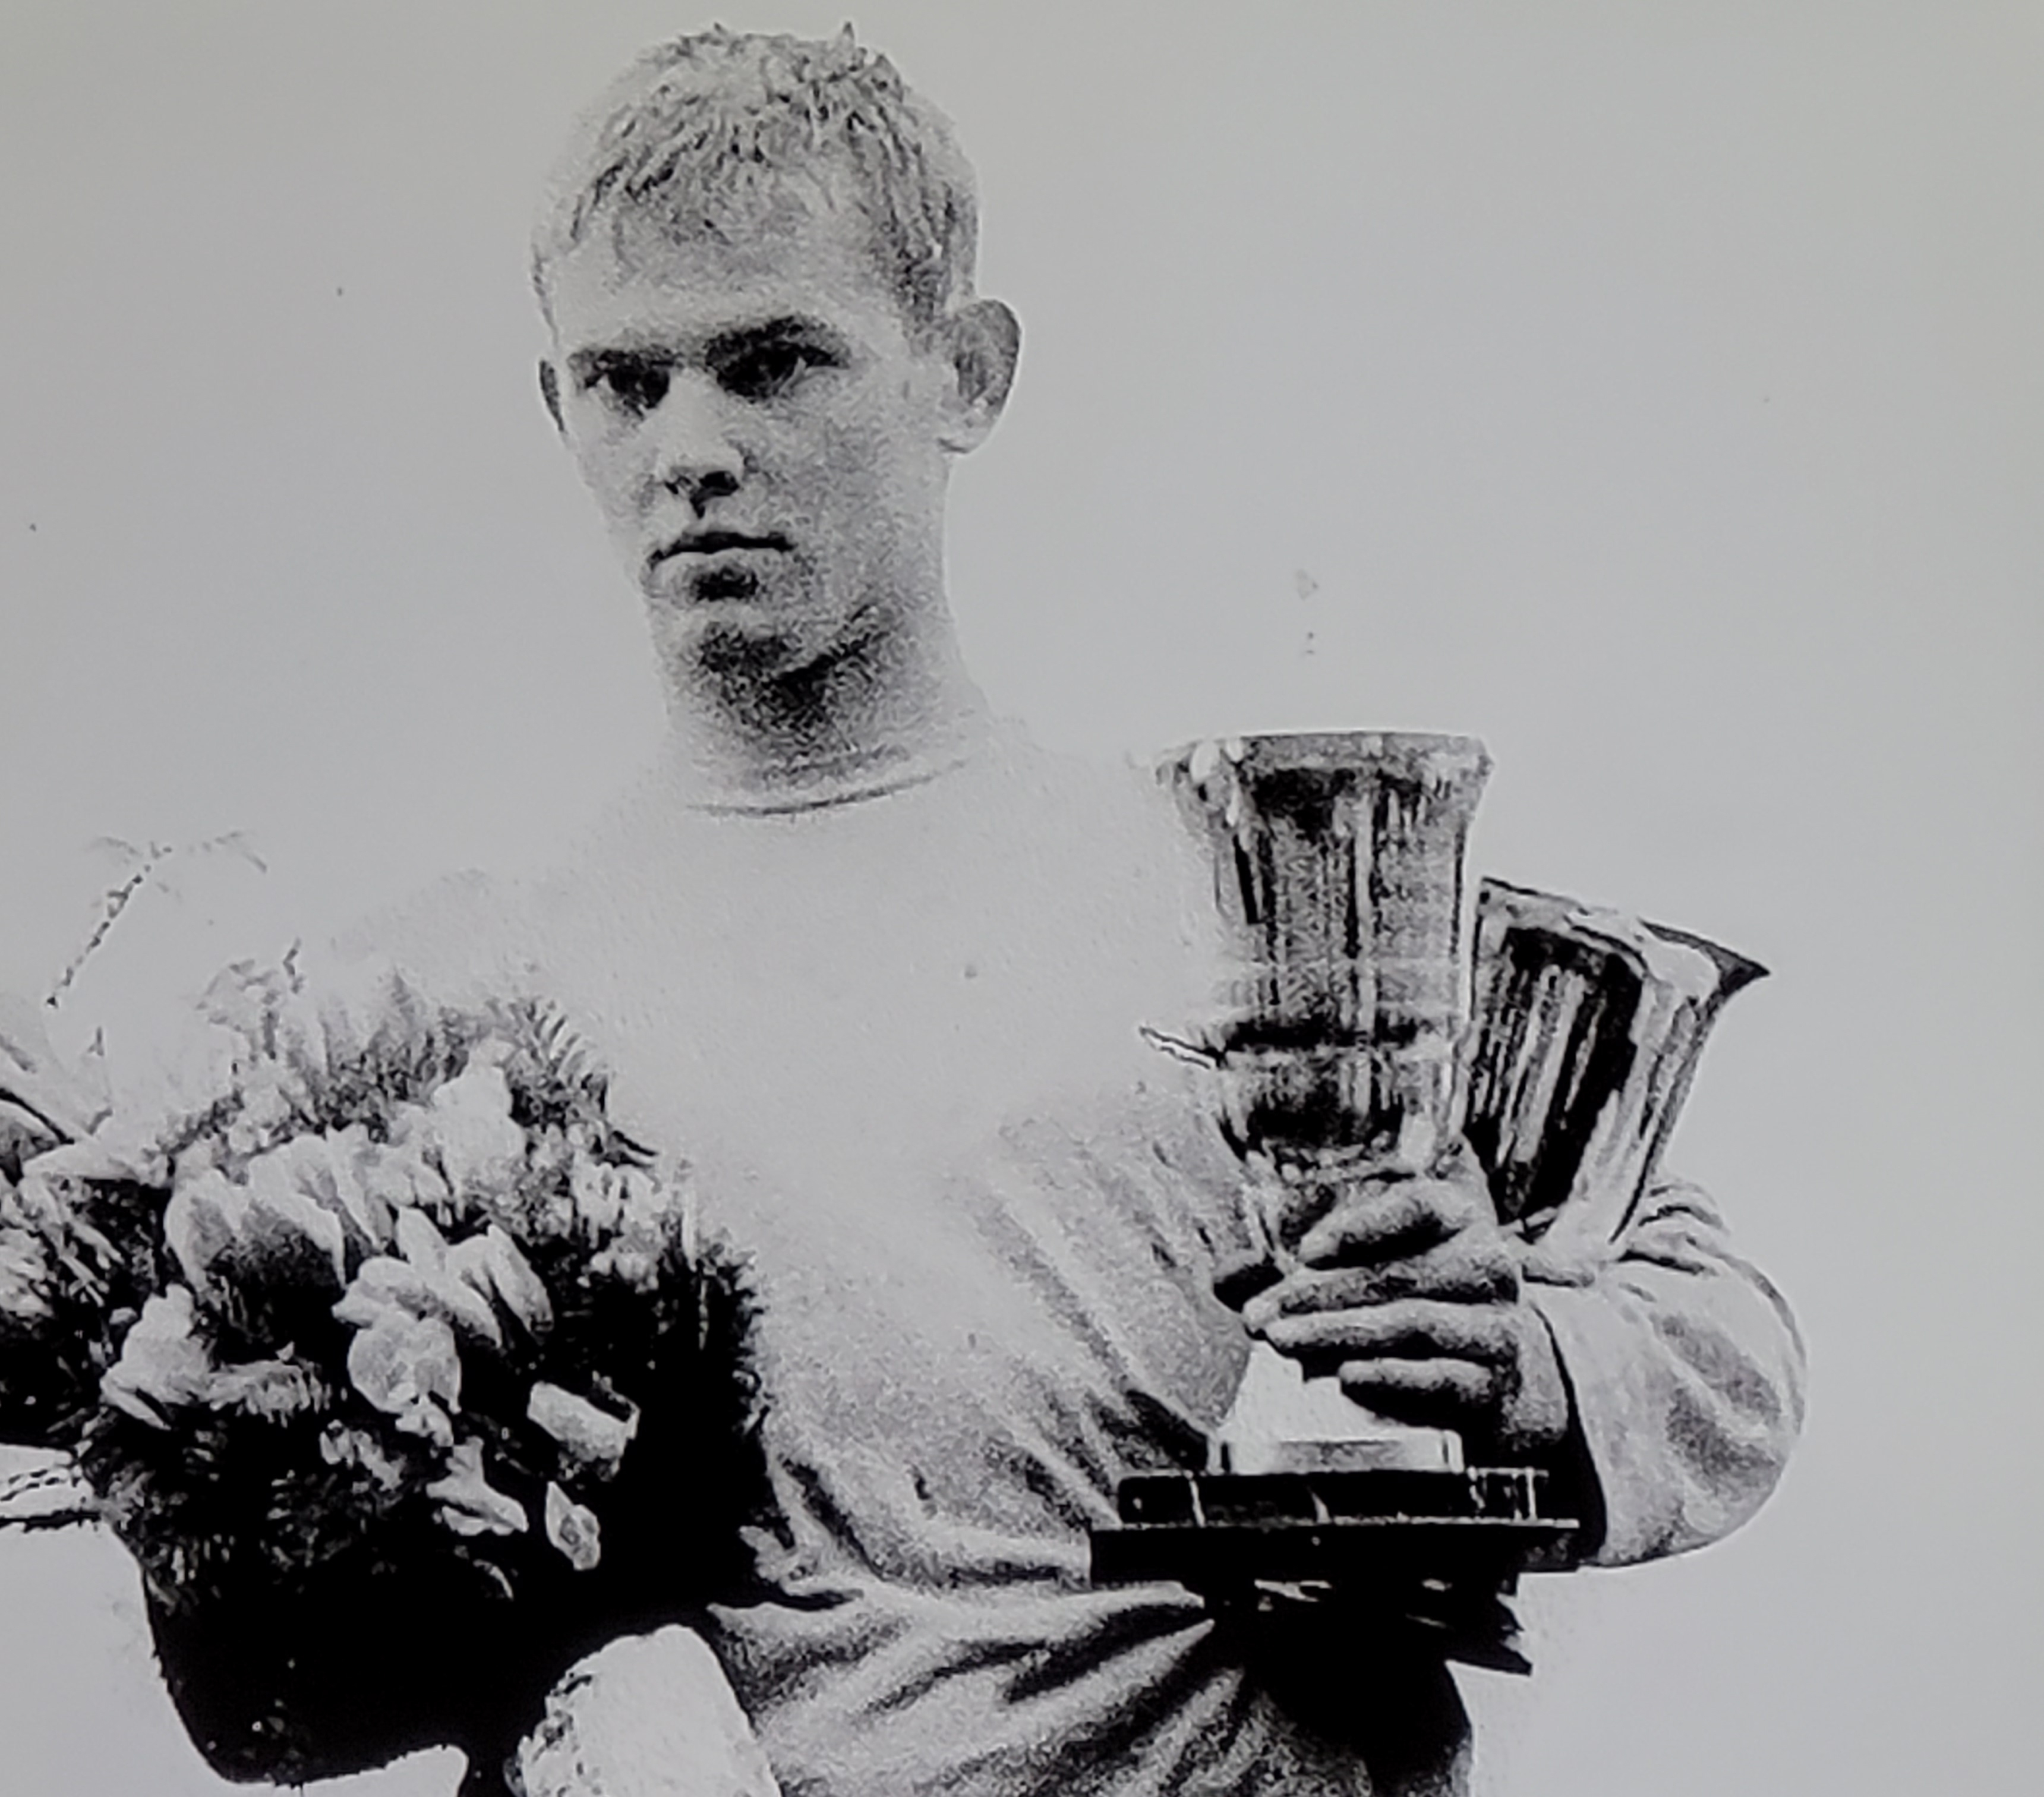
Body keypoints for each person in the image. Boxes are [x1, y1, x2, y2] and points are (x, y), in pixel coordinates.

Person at [335, 25, 1804, 1796]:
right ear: (555, 407)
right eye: (623, 383)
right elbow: (281, 1685)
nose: (691, 446)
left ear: (966, 372)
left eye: (775, 362)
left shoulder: (1240, 890)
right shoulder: (464, 1003)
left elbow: (1722, 1348)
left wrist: (1525, 1361)